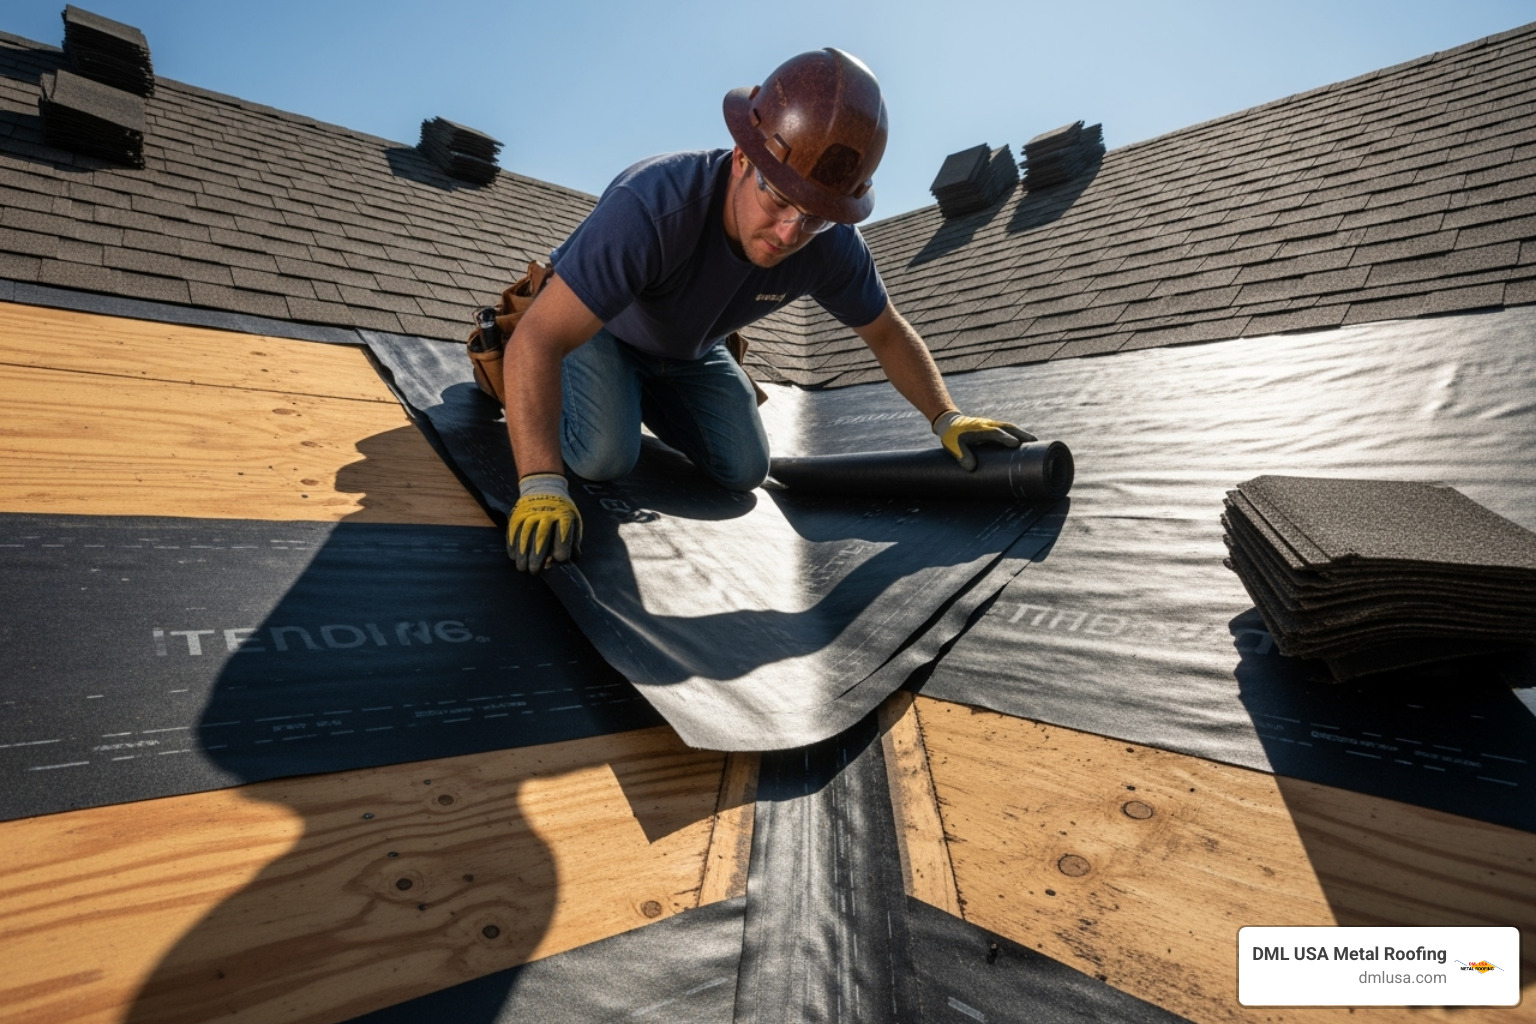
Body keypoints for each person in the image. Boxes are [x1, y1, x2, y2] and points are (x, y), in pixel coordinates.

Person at [503, 47, 1032, 574]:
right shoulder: (653, 206)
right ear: (741, 158)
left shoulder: (830, 242)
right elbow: (539, 338)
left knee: (745, 470)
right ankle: (564, 395)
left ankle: (633, 395)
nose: (789, 233)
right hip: (601, 330)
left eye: (815, 217)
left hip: (689, 351)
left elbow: (887, 333)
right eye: (778, 199)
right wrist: (541, 484)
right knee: (605, 458)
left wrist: (947, 416)